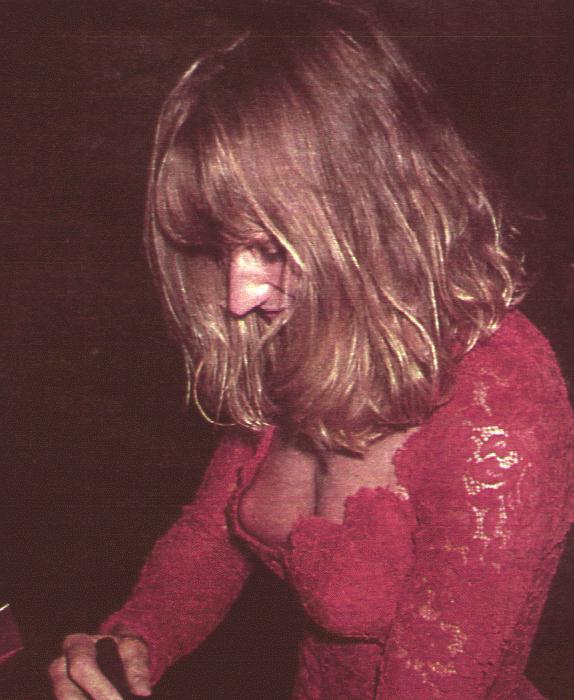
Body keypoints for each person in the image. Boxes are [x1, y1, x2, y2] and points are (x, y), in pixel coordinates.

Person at [49, 1, 574, 698]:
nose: (238, 298)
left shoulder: (500, 395)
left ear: (376, 214)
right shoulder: (303, 329)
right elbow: (215, 531)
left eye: (271, 248)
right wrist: (137, 638)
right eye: (217, 249)